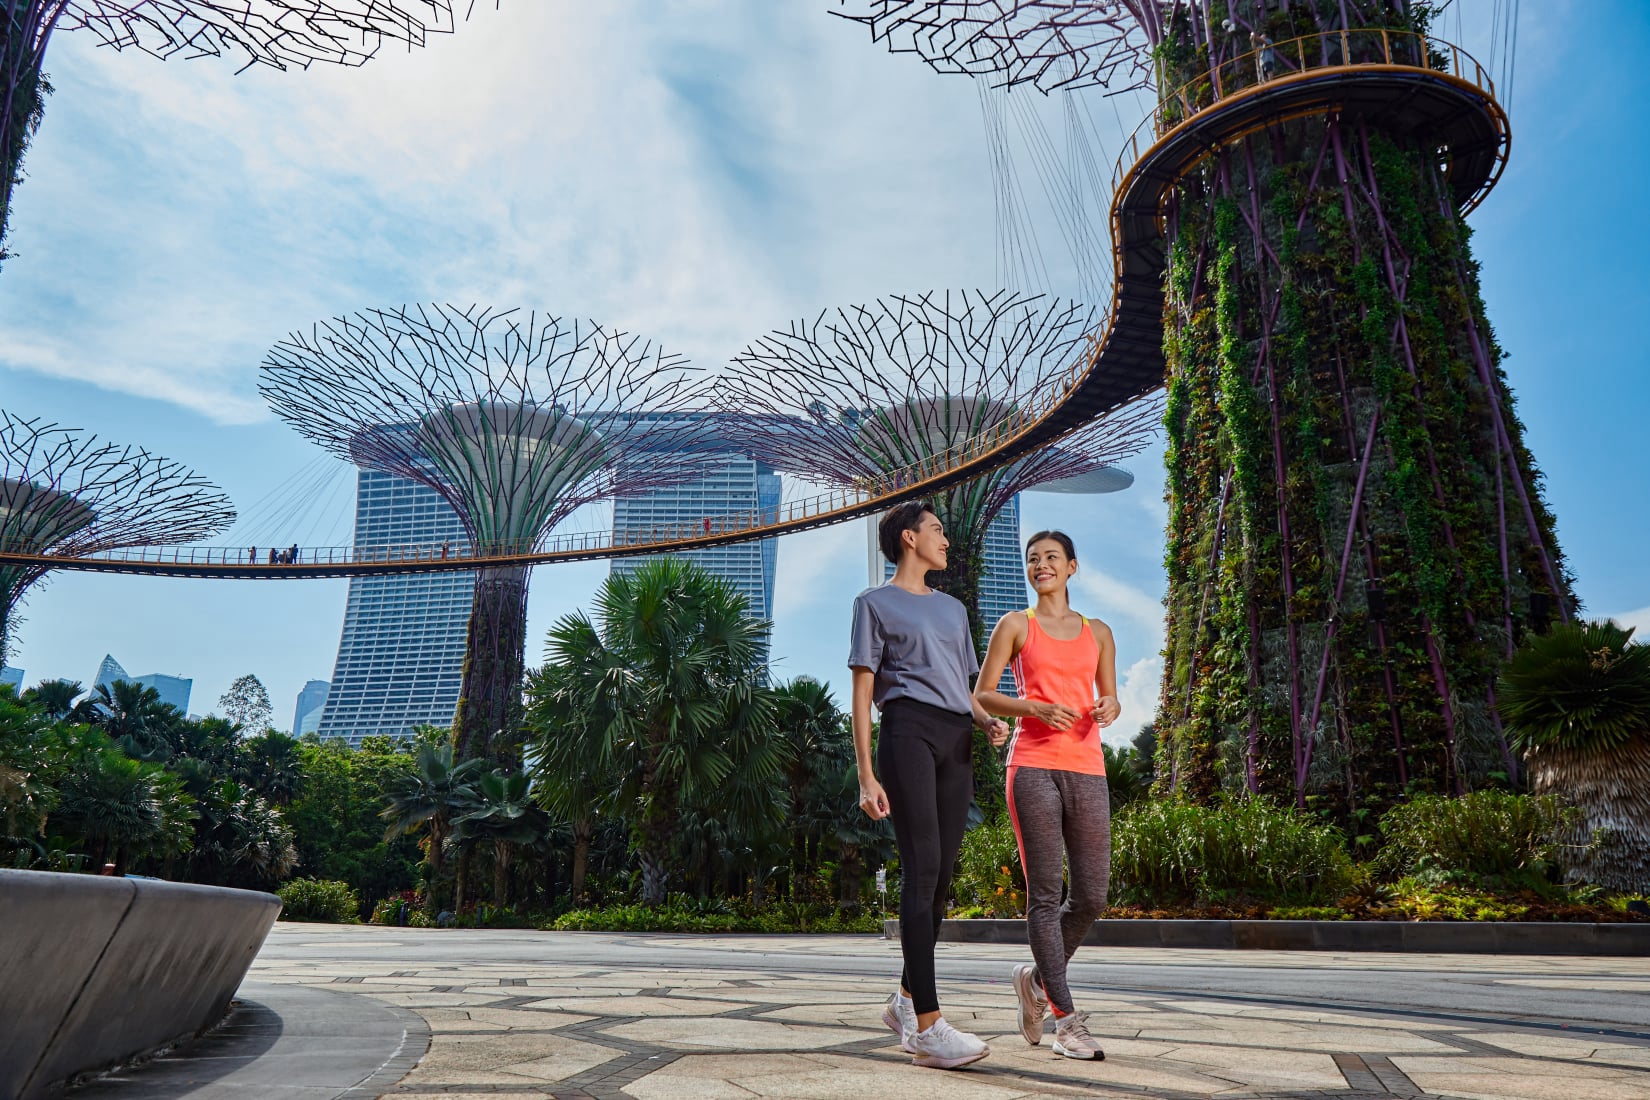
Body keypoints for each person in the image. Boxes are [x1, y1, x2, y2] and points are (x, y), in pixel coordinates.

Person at [850, 499, 1009, 1071]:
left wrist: (986, 719)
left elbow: (961, 683)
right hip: (907, 730)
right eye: (937, 530)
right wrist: (867, 773)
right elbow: (864, 692)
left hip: (956, 738)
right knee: (920, 869)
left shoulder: (954, 610)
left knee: (940, 878)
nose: (945, 539)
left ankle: (904, 999)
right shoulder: (874, 604)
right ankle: (928, 1028)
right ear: (909, 539)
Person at [974, 530, 1119, 1061]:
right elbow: (984, 693)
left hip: (1088, 767)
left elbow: (1110, 696)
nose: (1041, 565)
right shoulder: (1017, 625)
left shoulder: (1098, 631)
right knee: (1045, 895)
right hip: (1032, 765)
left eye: (1051, 558)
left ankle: (1035, 982)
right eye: (1033, 559)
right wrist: (1032, 708)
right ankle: (1065, 1019)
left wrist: (1109, 708)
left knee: (1093, 896)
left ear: (1072, 567)